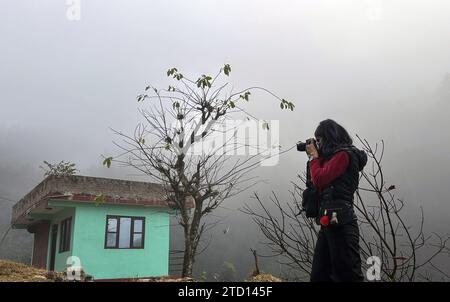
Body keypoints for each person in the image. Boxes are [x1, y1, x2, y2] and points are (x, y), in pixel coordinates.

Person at [305, 119, 367, 282]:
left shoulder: (344, 155)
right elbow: (316, 186)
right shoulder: (333, 158)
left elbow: (320, 179)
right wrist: (316, 159)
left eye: (319, 140)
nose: (317, 144)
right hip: (328, 223)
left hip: (341, 223)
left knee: (346, 277)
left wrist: (314, 157)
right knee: (319, 276)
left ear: (329, 137)